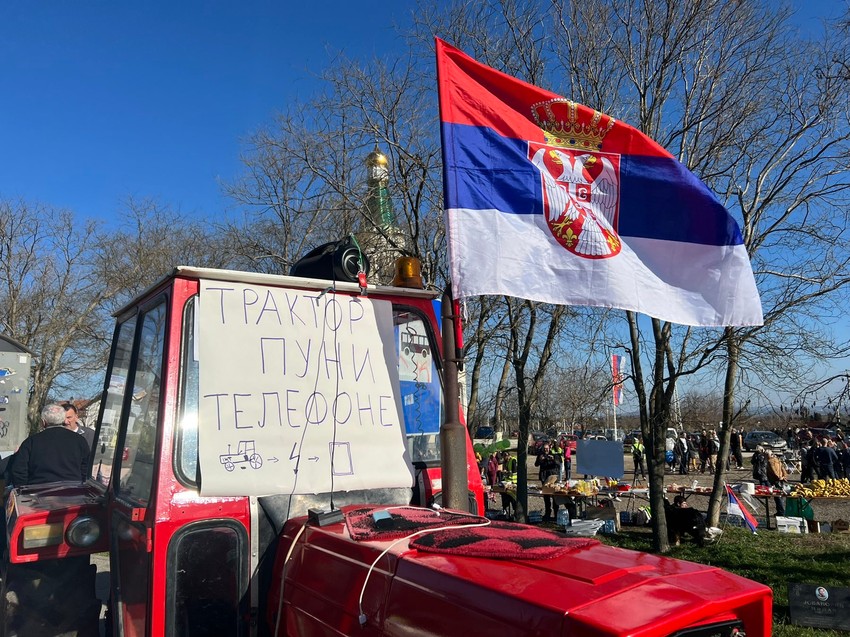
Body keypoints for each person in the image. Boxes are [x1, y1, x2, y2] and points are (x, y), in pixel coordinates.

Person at [10, 404, 90, 486]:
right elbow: (85, 469)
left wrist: (24, 489)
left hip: (39, 490)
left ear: (43, 422)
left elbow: (19, 471)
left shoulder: (31, 442)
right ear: (64, 420)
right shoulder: (80, 440)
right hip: (72, 489)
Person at [535, 443, 561, 521]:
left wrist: (553, 459)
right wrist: (540, 459)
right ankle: (547, 513)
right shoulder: (541, 455)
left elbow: (559, 464)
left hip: (553, 477)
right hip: (544, 477)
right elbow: (536, 464)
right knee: (546, 497)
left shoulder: (554, 454)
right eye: (544, 448)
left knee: (554, 496)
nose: (546, 450)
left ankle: (556, 513)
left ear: (549, 448)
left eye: (547, 448)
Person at [765, 449, 787, 516]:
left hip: (775, 480)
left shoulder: (770, 461)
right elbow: (783, 469)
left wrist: (779, 477)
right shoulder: (777, 459)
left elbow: (773, 470)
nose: (765, 457)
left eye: (766, 455)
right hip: (781, 479)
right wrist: (784, 476)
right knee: (781, 496)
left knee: (777, 496)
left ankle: (781, 512)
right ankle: (780, 511)